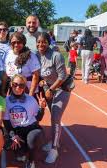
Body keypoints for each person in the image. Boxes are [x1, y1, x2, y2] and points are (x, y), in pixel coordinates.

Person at [36, 32, 71, 164]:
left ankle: (54, 149)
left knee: (55, 117)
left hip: (61, 89)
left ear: (48, 42)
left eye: (44, 42)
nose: (41, 44)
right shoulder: (37, 56)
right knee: (53, 117)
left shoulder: (56, 56)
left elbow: (62, 76)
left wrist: (51, 89)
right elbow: (40, 74)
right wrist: (43, 84)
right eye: (39, 42)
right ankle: (54, 140)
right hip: (48, 89)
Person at [3, 74, 46, 168]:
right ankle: (23, 151)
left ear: (25, 86)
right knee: (18, 153)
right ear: (11, 84)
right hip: (17, 131)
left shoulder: (31, 99)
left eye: (21, 85)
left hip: (31, 128)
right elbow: (6, 122)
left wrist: (42, 108)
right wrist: (13, 136)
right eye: (15, 84)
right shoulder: (5, 101)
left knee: (32, 140)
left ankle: (31, 161)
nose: (18, 87)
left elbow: (38, 118)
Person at [2, 32, 40, 97]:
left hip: (27, 89)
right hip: (12, 89)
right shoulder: (8, 54)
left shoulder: (30, 56)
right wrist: (3, 90)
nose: (16, 45)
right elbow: (6, 74)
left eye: (19, 42)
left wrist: (31, 94)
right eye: (13, 42)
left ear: (23, 43)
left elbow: (35, 76)